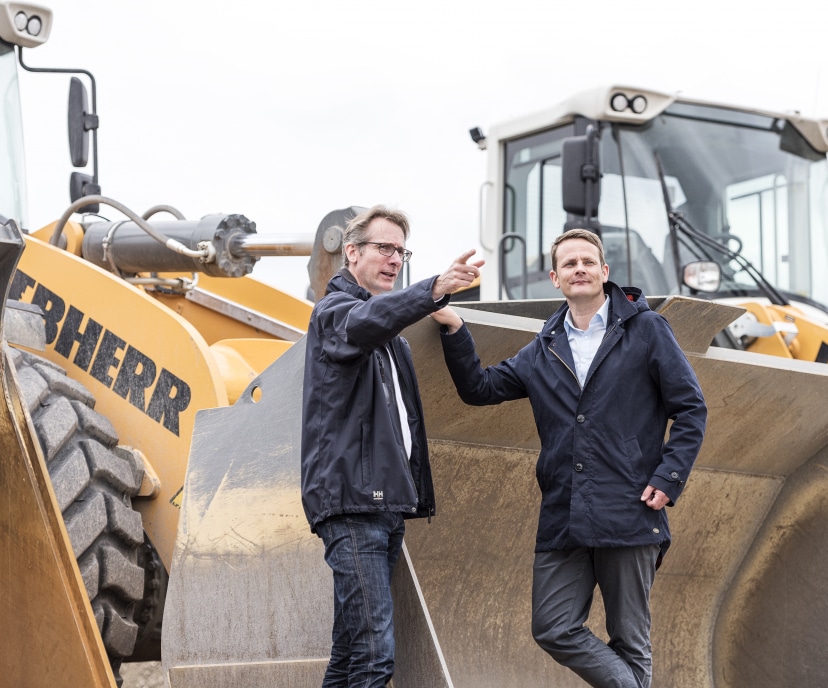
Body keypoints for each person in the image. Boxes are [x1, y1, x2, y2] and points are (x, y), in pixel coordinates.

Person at [432, 228, 707, 688]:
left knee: (630, 641)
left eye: (587, 261)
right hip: (565, 512)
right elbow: (480, 388)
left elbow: (691, 408)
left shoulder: (646, 330)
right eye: (569, 264)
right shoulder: (543, 348)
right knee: (553, 626)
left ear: (604, 271)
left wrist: (669, 476)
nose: (579, 269)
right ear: (555, 278)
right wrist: (454, 327)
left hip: (630, 506)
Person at [300, 205, 483, 688]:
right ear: (352, 252)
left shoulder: (392, 340)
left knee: (350, 656)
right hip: (354, 505)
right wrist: (433, 288)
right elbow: (366, 322)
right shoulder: (334, 314)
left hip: (384, 507)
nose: (395, 259)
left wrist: (453, 324)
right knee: (374, 658)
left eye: (402, 251)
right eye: (385, 248)